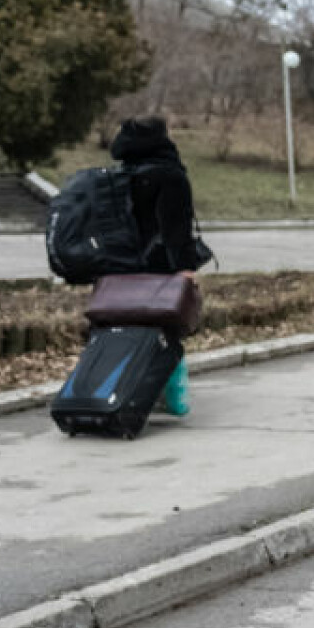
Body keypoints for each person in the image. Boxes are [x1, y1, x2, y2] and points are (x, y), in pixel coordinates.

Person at [110, 117, 203, 415]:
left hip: (120, 267)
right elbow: (177, 227)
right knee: (167, 330)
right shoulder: (169, 174)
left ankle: (123, 391)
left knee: (126, 331)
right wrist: (186, 269)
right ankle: (171, 398)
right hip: (160, 267)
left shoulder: (120, 174)